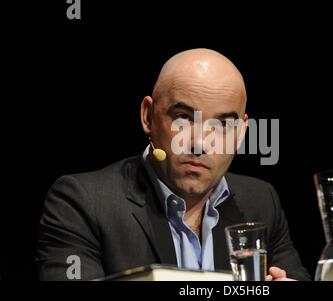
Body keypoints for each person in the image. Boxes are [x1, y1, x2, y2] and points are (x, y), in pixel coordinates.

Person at [37, 48, 310, 281]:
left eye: (222, 125)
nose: (199, 143)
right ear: (148, 117)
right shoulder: (82, 202)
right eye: (183, 118)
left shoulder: (261, 201)